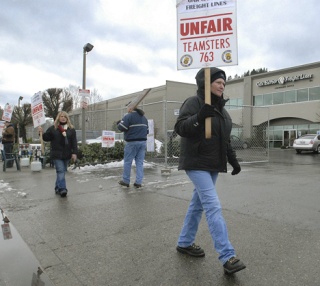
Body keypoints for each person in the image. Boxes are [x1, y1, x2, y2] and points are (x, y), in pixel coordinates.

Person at [174, 67, 246, 275]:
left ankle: (185, 242)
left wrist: (233, 161)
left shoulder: (222, 111)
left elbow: (225, 141)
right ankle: (227, 256)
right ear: (207, 84)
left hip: (213, 164)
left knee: (198, 205)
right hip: (196, 162)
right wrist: (198, 117)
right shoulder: (194, 102)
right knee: (213, 206)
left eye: (224, 83)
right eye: (218, 82)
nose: (222, 85)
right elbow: (180, 128)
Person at [38, 111, 78, 197]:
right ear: (58, 118)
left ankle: (57, 187)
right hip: (56, 154)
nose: (63, 118)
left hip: (67, 154)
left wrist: (74, 153)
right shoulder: (53, 128)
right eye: (61, 116)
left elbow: (74, 142)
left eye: (65, 116)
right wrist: (41, 132)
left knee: (61, 171)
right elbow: (46, 138)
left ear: (67, 118)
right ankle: (62, 189)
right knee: (61, 171)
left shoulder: (71, 129)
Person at [117, 106, 148, 188]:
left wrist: (119, 123)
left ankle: (126, 181)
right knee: (139, 163)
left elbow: (121, 127)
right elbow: (147, 131)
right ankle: (138, 182)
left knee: (128, 162)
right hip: (143, 142)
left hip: (132, 142)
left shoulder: (128, 116)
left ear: (131, 108)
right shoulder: (144, 118)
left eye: (127, 107)